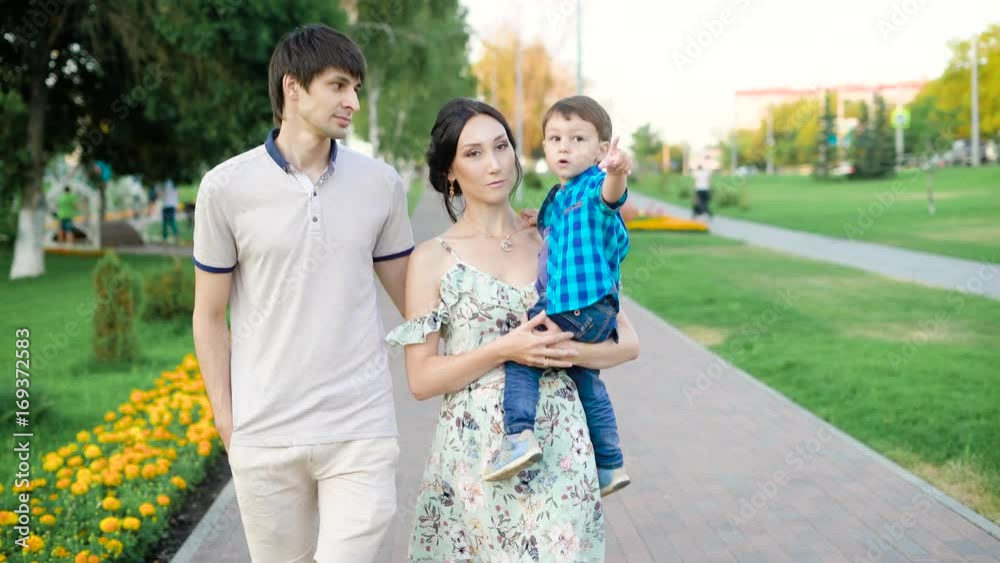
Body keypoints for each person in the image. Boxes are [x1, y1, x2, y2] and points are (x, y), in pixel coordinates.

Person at [191, 24, 413, 563]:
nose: (353, 102)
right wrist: (228, 422)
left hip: (360, 428)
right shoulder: (225, 187)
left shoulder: (380, 183)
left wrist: (496, 233)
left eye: (356, 88)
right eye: (338, 86)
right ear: (293, 87)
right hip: (265, 433)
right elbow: (209, 315)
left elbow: (415, 297)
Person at [386, 98, 640, 561]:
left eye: (501, 146)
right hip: (474, 457)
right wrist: (505, 349)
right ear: (449, 172)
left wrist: (560, 353)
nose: (495, 163)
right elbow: (420, 379)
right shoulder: (431, 258)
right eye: (474, 153)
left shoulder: (556, 235)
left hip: (560, 450)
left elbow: (627, 343)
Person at [481, 96, 634, 497]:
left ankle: (518, 435)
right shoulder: (561, 197)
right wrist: (538, 219)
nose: (564, 147)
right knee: (587, 378)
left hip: (577, 305)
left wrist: (617, 171)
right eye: (555, 138)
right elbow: (557, 223)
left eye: (578, 139)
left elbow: (612, 196)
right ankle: (610, 464)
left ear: (601, 150)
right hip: (595, 311)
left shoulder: (594, 187)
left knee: (522, 354)